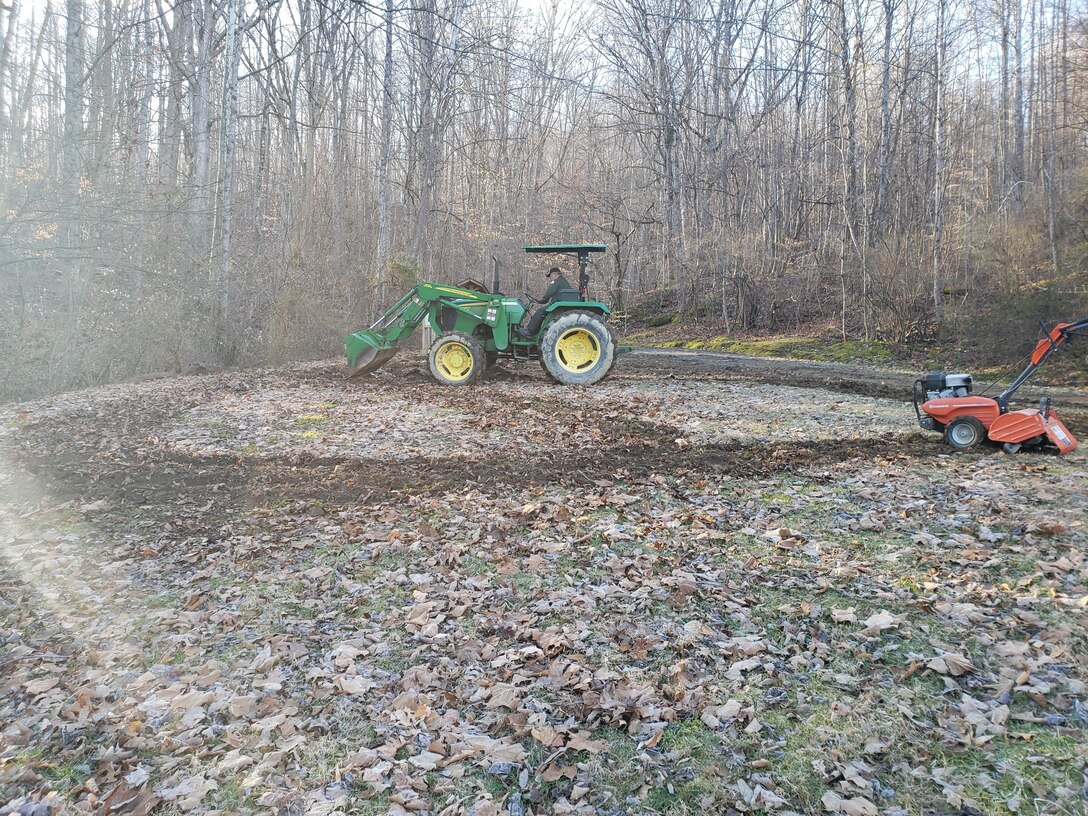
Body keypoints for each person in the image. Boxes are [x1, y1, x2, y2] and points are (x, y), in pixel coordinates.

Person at [519, 266, 573, 338]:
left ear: (554, 274)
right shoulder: (563, 281)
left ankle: (530, 331)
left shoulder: (557, 281)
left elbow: (549, 292)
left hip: (559, 303)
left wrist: (543, 300)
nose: (550, 279)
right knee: (542, 311)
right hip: (561, 302)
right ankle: (535, 330)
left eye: (550, 276)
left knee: (540, 311)